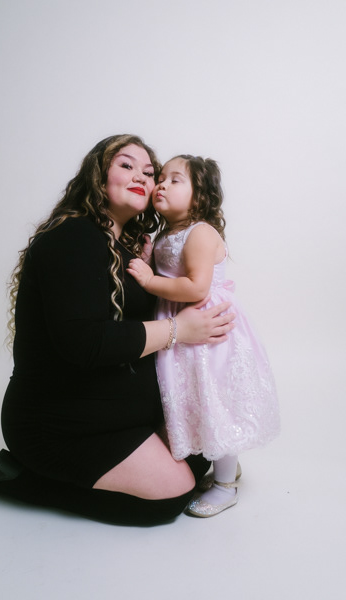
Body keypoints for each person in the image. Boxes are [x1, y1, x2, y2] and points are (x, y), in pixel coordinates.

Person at [0, 135, 236, 526]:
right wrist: (178, 330)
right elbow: (85, 343)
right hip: (60, 423)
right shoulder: (73, 236)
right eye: (126, 165)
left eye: (149, 173)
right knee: (172, 496)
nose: (141, 177)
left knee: (205, 454)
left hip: (113, 411)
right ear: (98, 176)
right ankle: (23, 479)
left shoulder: (126, 247)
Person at [127, 154, 280, 517]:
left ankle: (226, 486)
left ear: (198, 196)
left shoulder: (200, 232)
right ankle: (224, 467)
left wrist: (150, 280)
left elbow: (196, 287)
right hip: (184, 332)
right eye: (161, 178)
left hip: (208, 332)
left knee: (214, 402)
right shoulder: (169, 234)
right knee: (195, 399)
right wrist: (149, 258)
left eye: (175, 180)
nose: (161, 185)